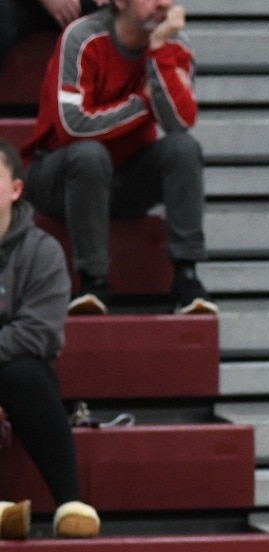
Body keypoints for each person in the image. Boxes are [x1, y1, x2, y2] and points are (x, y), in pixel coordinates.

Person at [23, 0, 214, 316]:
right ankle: (93, 281)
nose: (164, 4)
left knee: (183, 149)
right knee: (89, 155)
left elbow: (179, 121)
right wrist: (140, 104)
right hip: (57, 174)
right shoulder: (82, 37)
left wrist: (159, 52)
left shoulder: (173, 42)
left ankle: (187, 277)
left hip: (123, 177)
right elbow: (73, 127)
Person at [0, 138, 98, 541]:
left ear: (15, 189)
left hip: (15, 372)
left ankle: (69, 503)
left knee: (25, 374)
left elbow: (39, 333)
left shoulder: (42, 251)